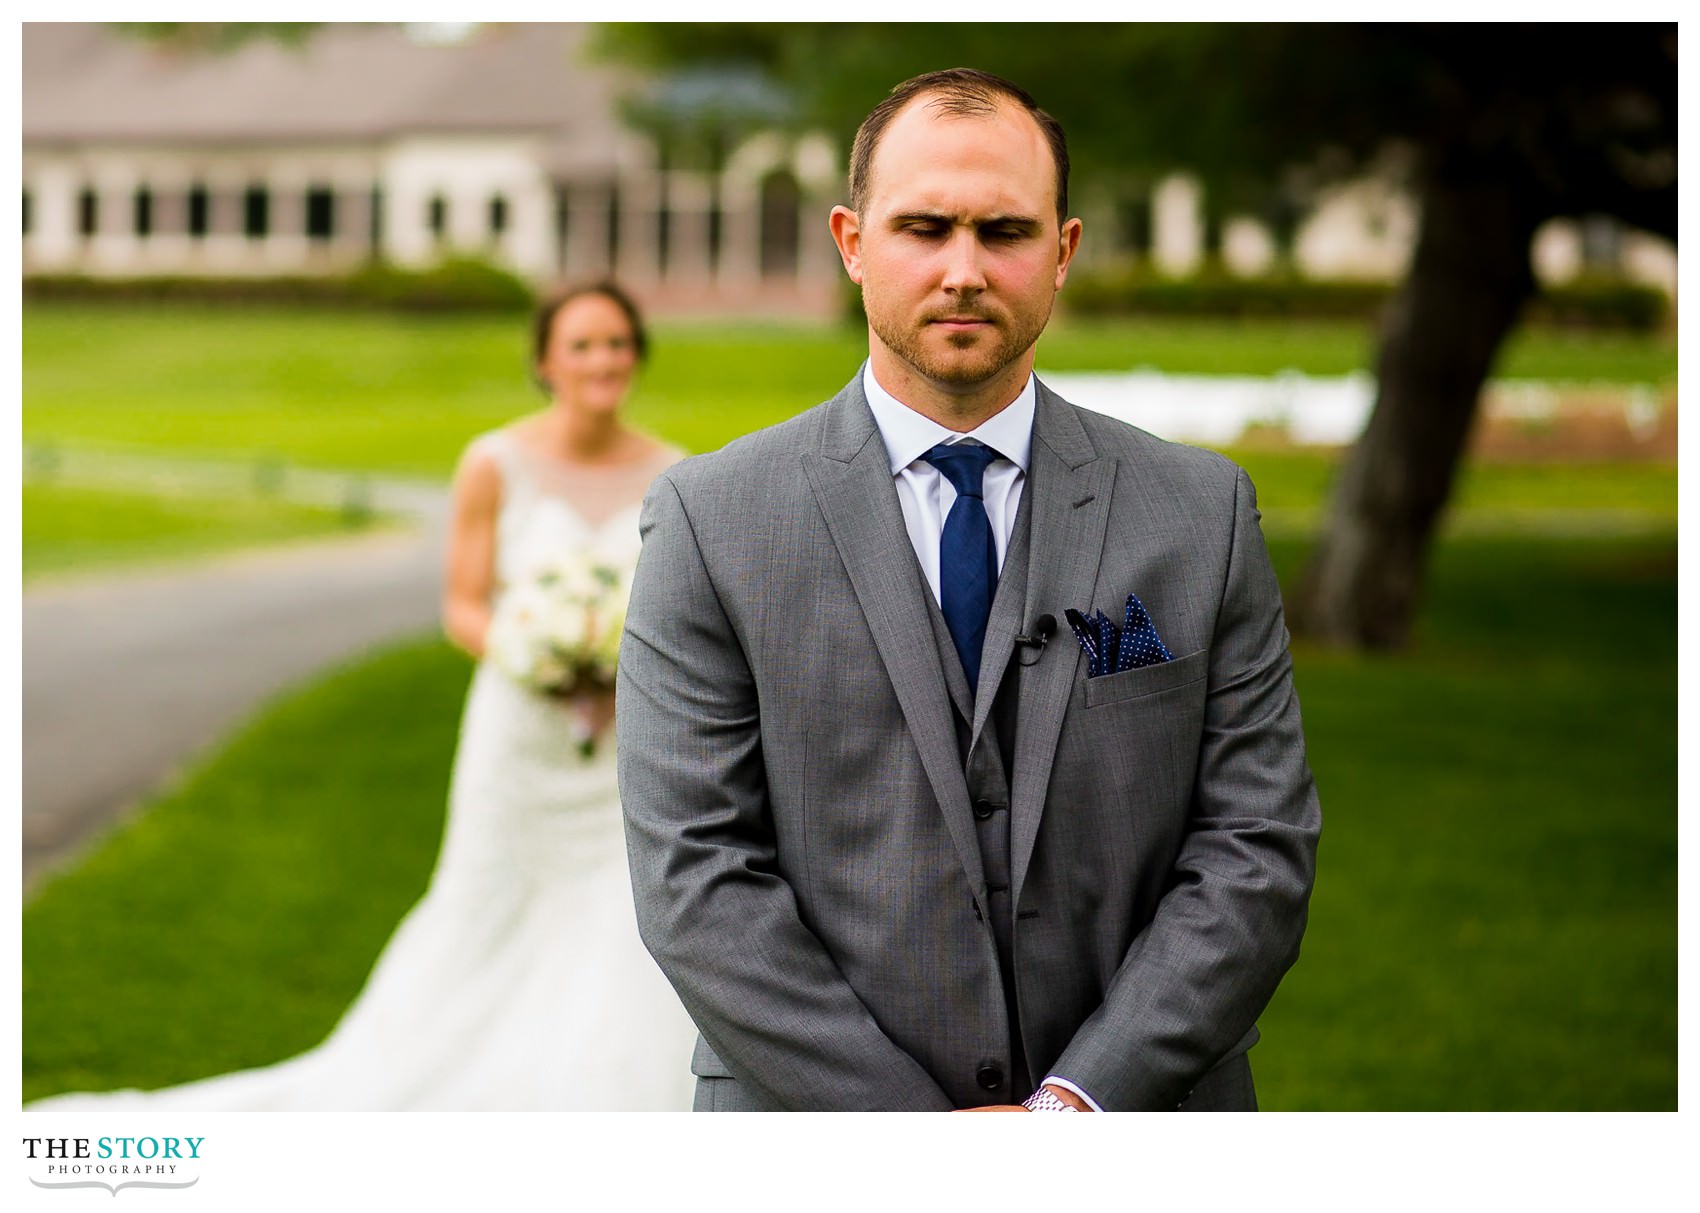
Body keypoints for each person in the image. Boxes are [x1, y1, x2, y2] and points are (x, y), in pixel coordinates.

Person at [617, 69, 1322, 1112]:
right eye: (922, 227)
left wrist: (1073, 1106)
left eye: (1002, 230)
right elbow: (696, 881)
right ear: (851, 242)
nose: (962, 269)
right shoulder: (708, 519)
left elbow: (1253, 848)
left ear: (1063, 250)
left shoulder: (1200, 512)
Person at [30, 281, 696, 1112]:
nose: (603, 361)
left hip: (620, 745)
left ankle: (605, 1091)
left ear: (637, 353)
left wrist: (615, 665)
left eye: (617, 343)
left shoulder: (673, 472)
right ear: (544, 361)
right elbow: (462, 602)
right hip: (522, 727)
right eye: (582, 344)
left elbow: (676, 614)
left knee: (617, 910)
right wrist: (543, 656)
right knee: (488, 897)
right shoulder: (496, 462)